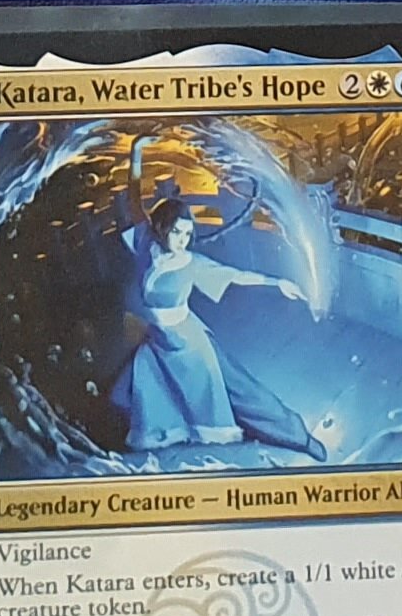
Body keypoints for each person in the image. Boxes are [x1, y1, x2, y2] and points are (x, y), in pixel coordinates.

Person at [115, 187, 328, 459]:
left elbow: (236, 275)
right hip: (159, 343)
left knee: (240, 390)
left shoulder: (191, 263)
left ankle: (298, 436)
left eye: (187, 234)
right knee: (127, 395)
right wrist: (136, 160)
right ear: (162, 227)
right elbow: (134, 204)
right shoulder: (147, 244)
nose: (182, 241)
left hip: (190, 344)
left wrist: (276, 283)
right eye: (177, 232)